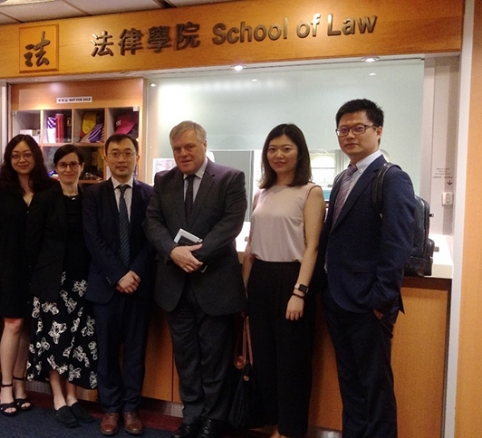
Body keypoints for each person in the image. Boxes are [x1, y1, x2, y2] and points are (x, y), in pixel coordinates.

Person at [315, 99, 415, 438]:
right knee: (351, 386)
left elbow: (398, 244)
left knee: (376, 390)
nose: (350, 135)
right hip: (338, 300)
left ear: (378, 131)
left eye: (359, 128)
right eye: (343, 129)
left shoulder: (391, 178)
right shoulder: (345, 177)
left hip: (367, 305)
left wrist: (380, 301)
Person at [143, 121, 247, 438]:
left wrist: (195, 256)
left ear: (203, 144)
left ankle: (214, 420)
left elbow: (231, 223)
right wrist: (174, 252)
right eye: (177, 149)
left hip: (214, 284)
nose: (183, 153)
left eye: (189, 146)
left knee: (215, 357)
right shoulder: (164, 180)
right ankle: (192, 416)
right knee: (186, 356)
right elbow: (153, 222)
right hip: (175, 286)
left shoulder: (230, 177)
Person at [242, 124, 325, 438]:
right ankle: (272, 423)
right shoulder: (261, 192)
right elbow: (251, 246)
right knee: (264, 358)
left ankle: (290, 430)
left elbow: (312, 246)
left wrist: (300, 292)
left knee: (292, 362)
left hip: (292, 279)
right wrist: (244, 291)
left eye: (286, 148)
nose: (278, 155)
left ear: (299, 152)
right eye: (272, 148)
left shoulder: (310, 192)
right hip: (260, 278)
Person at [82, 134, 154, 436]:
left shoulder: (150, 195)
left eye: (127, 153)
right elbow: (93, 240)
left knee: (136, 352)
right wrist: (118, 274)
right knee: (107, 352)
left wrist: (133, 272)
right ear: (106, 157)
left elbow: (154, 238)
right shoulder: (93, 195)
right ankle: (110, 409)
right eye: (115, 153)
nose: (121, 159)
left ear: (137, 156)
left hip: (139, 287)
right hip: (106, 287)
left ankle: (130, 407)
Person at [0, 134, 54, 417]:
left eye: (27, 154)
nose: (21, 159)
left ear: (35, 157)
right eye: (15, 155)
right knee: (12, 324)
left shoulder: (49, 188)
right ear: (9, 160)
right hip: (7, 268)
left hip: (39, 271)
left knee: (27, 327)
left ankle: (22, 383)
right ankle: (6, 385)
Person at [26, 144, 98, 428]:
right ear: (56, 168)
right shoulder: (44, 199)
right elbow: (30, 244)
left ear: (81, 166)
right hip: (53, 284)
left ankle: (73, 397)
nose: (68, 169)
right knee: (56, 342)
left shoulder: (90, 198)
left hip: (84, 283)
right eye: (63, 164)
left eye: (74, 164)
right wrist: (41, 276)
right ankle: (58, 398)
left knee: (79, 343)